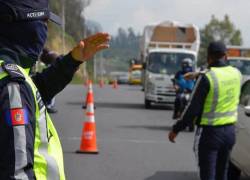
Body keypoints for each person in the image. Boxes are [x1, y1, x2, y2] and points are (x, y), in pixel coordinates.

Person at [0, 0, 110, 179]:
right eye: (43, 23)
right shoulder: (12, 86)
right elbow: (17, 172)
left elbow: (36, 91)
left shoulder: (8, 76)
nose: (45, 31)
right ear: (24, 27)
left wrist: (72, 60)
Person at [168, 41, 242, 180]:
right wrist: (198, 74)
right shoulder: (237, 74)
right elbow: (221, 73)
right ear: (226, 56)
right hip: (230, 133)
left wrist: (176, 129)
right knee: (222, 174)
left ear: (208, 58)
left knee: (207, 175)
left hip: (210, 134)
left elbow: (192, 109)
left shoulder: (206, 77)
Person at [172, 58, 195, 122]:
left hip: (191, 92)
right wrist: (176, 86)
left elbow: (197, 81)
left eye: (188, 65)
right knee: (178, 99)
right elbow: (175, 81)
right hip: (181, 91)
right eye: (185, 65)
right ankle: (176, 113)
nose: (186, 66)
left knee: (197, 103)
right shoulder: (179, 73)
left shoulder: (194, 73)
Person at [40, 48, 62, 113]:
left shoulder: (45, 56)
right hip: (52, 76)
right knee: (52, 91)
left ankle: (46, 105)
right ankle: (49, 106)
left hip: (46, 75)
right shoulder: (53, 55)